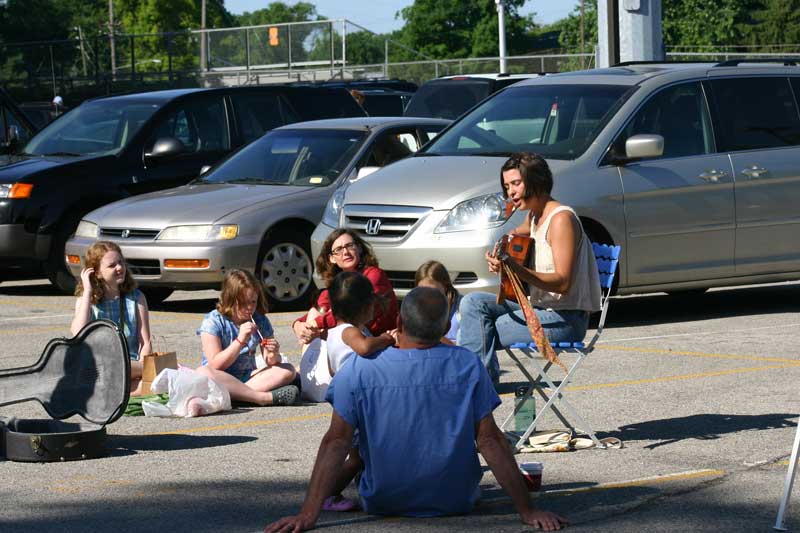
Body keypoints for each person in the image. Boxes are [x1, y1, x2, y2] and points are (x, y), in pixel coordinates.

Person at [266, 287, 567, 532]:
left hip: (383, 501)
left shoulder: (359, 368)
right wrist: (528, 510)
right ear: (447, 327)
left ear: (398, 324)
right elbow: (489, 441)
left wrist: (307, 515)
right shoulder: (466, 364)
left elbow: (336, 442)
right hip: (456, 500)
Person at [458, 152, 601, 385]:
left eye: (516, 183)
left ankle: (476, 388)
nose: (510, 192)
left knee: (486, 328)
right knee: (472, 304)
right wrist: (498, 254)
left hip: (566, 319)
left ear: (536, 180)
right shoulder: (535, 216)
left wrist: (516, 268)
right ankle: (480, 385)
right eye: (506, 186)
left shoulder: (560, 220)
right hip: (539, 309)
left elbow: (563, 282)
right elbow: (511, 236)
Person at [194, 269, 298, 406]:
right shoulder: (213, 321)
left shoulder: (260, 320)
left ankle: (236, 397)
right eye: (243, 303)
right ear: (230, 299)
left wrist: (273, 354)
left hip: (247, 379)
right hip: (219, 378)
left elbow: (270, 361)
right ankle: (262, 398)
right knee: (203, 372)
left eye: (253, 302)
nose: (249, 308)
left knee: (288, 370)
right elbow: (215, 364)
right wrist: (239, 341)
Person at [300, 271, 396, 403]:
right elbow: (364, 347)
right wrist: (386, 339)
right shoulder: (349, 331)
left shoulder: (333, 331)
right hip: (353, 389)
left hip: (343, 388)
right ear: (365, 307)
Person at [292, 229, 398, 345]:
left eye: (350, 245)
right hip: (356, 338)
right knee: (315, 310)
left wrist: (315, 326)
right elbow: (315, 314)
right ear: (332, 258)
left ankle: (314, 361)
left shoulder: (374, 275)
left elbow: (352, 310)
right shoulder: (340, 283)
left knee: (322, 324)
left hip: (379, 341)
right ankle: (310, 362)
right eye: (338, 250)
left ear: (359, 248)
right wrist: (298, 325)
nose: (346, 252)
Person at [71, 241, 151, 393]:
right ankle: (126, 390)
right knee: (151, 382)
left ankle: (116, 392)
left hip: (132, 368)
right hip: (99, 368)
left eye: (120, 262)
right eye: (112, 265)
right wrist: (87, 291)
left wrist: (143, 367)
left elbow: (145, 342)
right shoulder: (86, 301)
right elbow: (78, 333)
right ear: (97, 273)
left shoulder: (137, 297)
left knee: (153, 382)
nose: (119, 268)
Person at [414, 260, 461, 344]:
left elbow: (468, 347)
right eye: (421, 291)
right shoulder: (417, 308)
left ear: (445, 286)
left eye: (432, 290)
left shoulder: (461, 310)